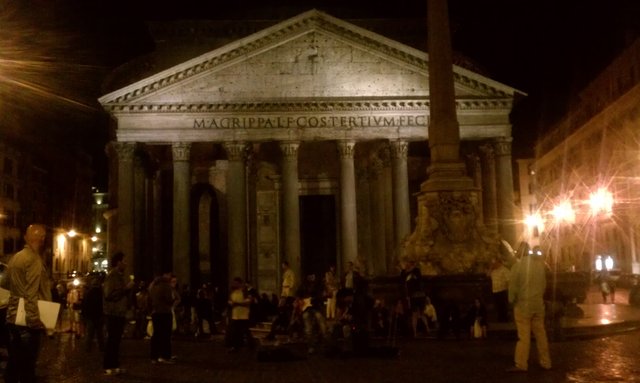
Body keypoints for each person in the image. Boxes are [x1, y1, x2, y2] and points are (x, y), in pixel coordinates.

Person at [2, 224, 52, 383]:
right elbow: (31, 294)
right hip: (26, 321)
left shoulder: (15, 258)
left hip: (13, 316)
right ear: (42, 239)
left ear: (26, 238)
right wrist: (34, 320)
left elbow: (6, 284)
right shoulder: (34, 260)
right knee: (27, 368)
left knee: (14, 363)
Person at [507, 244, 552, 372]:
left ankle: (521, 364)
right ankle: (546, 362)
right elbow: (544, 285)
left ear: (520, 253)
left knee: (524, 337)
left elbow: (513, 288)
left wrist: (511, 301)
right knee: (541, 335)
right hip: (538, 305)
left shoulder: (517, 267)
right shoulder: (540, 266)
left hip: (523, 306)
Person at [103, 252, 134, 375]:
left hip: (119, 313)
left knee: (116, 341)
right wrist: (126, 288)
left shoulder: (119, 276)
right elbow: (109, 294)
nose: (126, 264)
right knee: (112, 341)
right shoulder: (112, 276)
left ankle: (115, 366)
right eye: (124, 261)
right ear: (118, 262)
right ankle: (108, 366)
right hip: (113, 313)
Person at [149, 271, 177, 364]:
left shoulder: (153, 285)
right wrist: (173, 300)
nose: (170, 276)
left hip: (155, 312)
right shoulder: (166, 286)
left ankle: (154, 356)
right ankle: (165, 355)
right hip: (165, 312)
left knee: (156, 334)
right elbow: (169, 299)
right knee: (166, 335)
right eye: (169, 274)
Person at [227, 277, 254, 352]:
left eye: (236, 283)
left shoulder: (245, 291)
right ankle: (236, 346)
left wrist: (238, 303)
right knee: (235, 332)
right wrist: (231, 303)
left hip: (243, 315)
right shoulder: (233, 292)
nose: (234, 284)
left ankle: (251, 345)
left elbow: (249, 300)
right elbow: (229, 300)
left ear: (240, 283)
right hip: (235, 315)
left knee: (245, 330)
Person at [82, 274, 105, 352]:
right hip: (99, 316)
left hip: (91, 316)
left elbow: (85, 304)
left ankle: (87, 348)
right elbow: (103, 304)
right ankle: (101, 348)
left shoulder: (88, 293)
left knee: (89, 334)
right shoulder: (101, 293)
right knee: (100, 334)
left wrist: (85, 315)